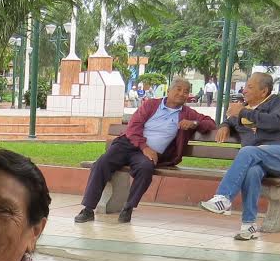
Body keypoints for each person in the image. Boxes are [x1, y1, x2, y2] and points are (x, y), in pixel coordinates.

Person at [74, 78, 215, 224]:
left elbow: (210, 123)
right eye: (178, 89)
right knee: (102, 163)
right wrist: (145, 147)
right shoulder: (151, 105)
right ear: (169, 91)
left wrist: (194, 123)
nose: (182, 93)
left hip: (149, 153)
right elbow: (133, 127)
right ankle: (88, 209)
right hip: (128, 144)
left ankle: (128, 207)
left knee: (145, 168)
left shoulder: (188, 113)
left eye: (186, 91)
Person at [198, 72, 280, 241]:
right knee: (252, 173)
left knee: (248, 151)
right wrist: (224, 125)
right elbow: (230, 120)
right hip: (258, 160)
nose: (244, 91)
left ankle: (224, 197)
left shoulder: (277, 103)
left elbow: (278, 121)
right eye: (245, 87)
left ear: (264, 91)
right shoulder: (241, 109)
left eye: (250, 87)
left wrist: (244, 112)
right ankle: (249, 225)